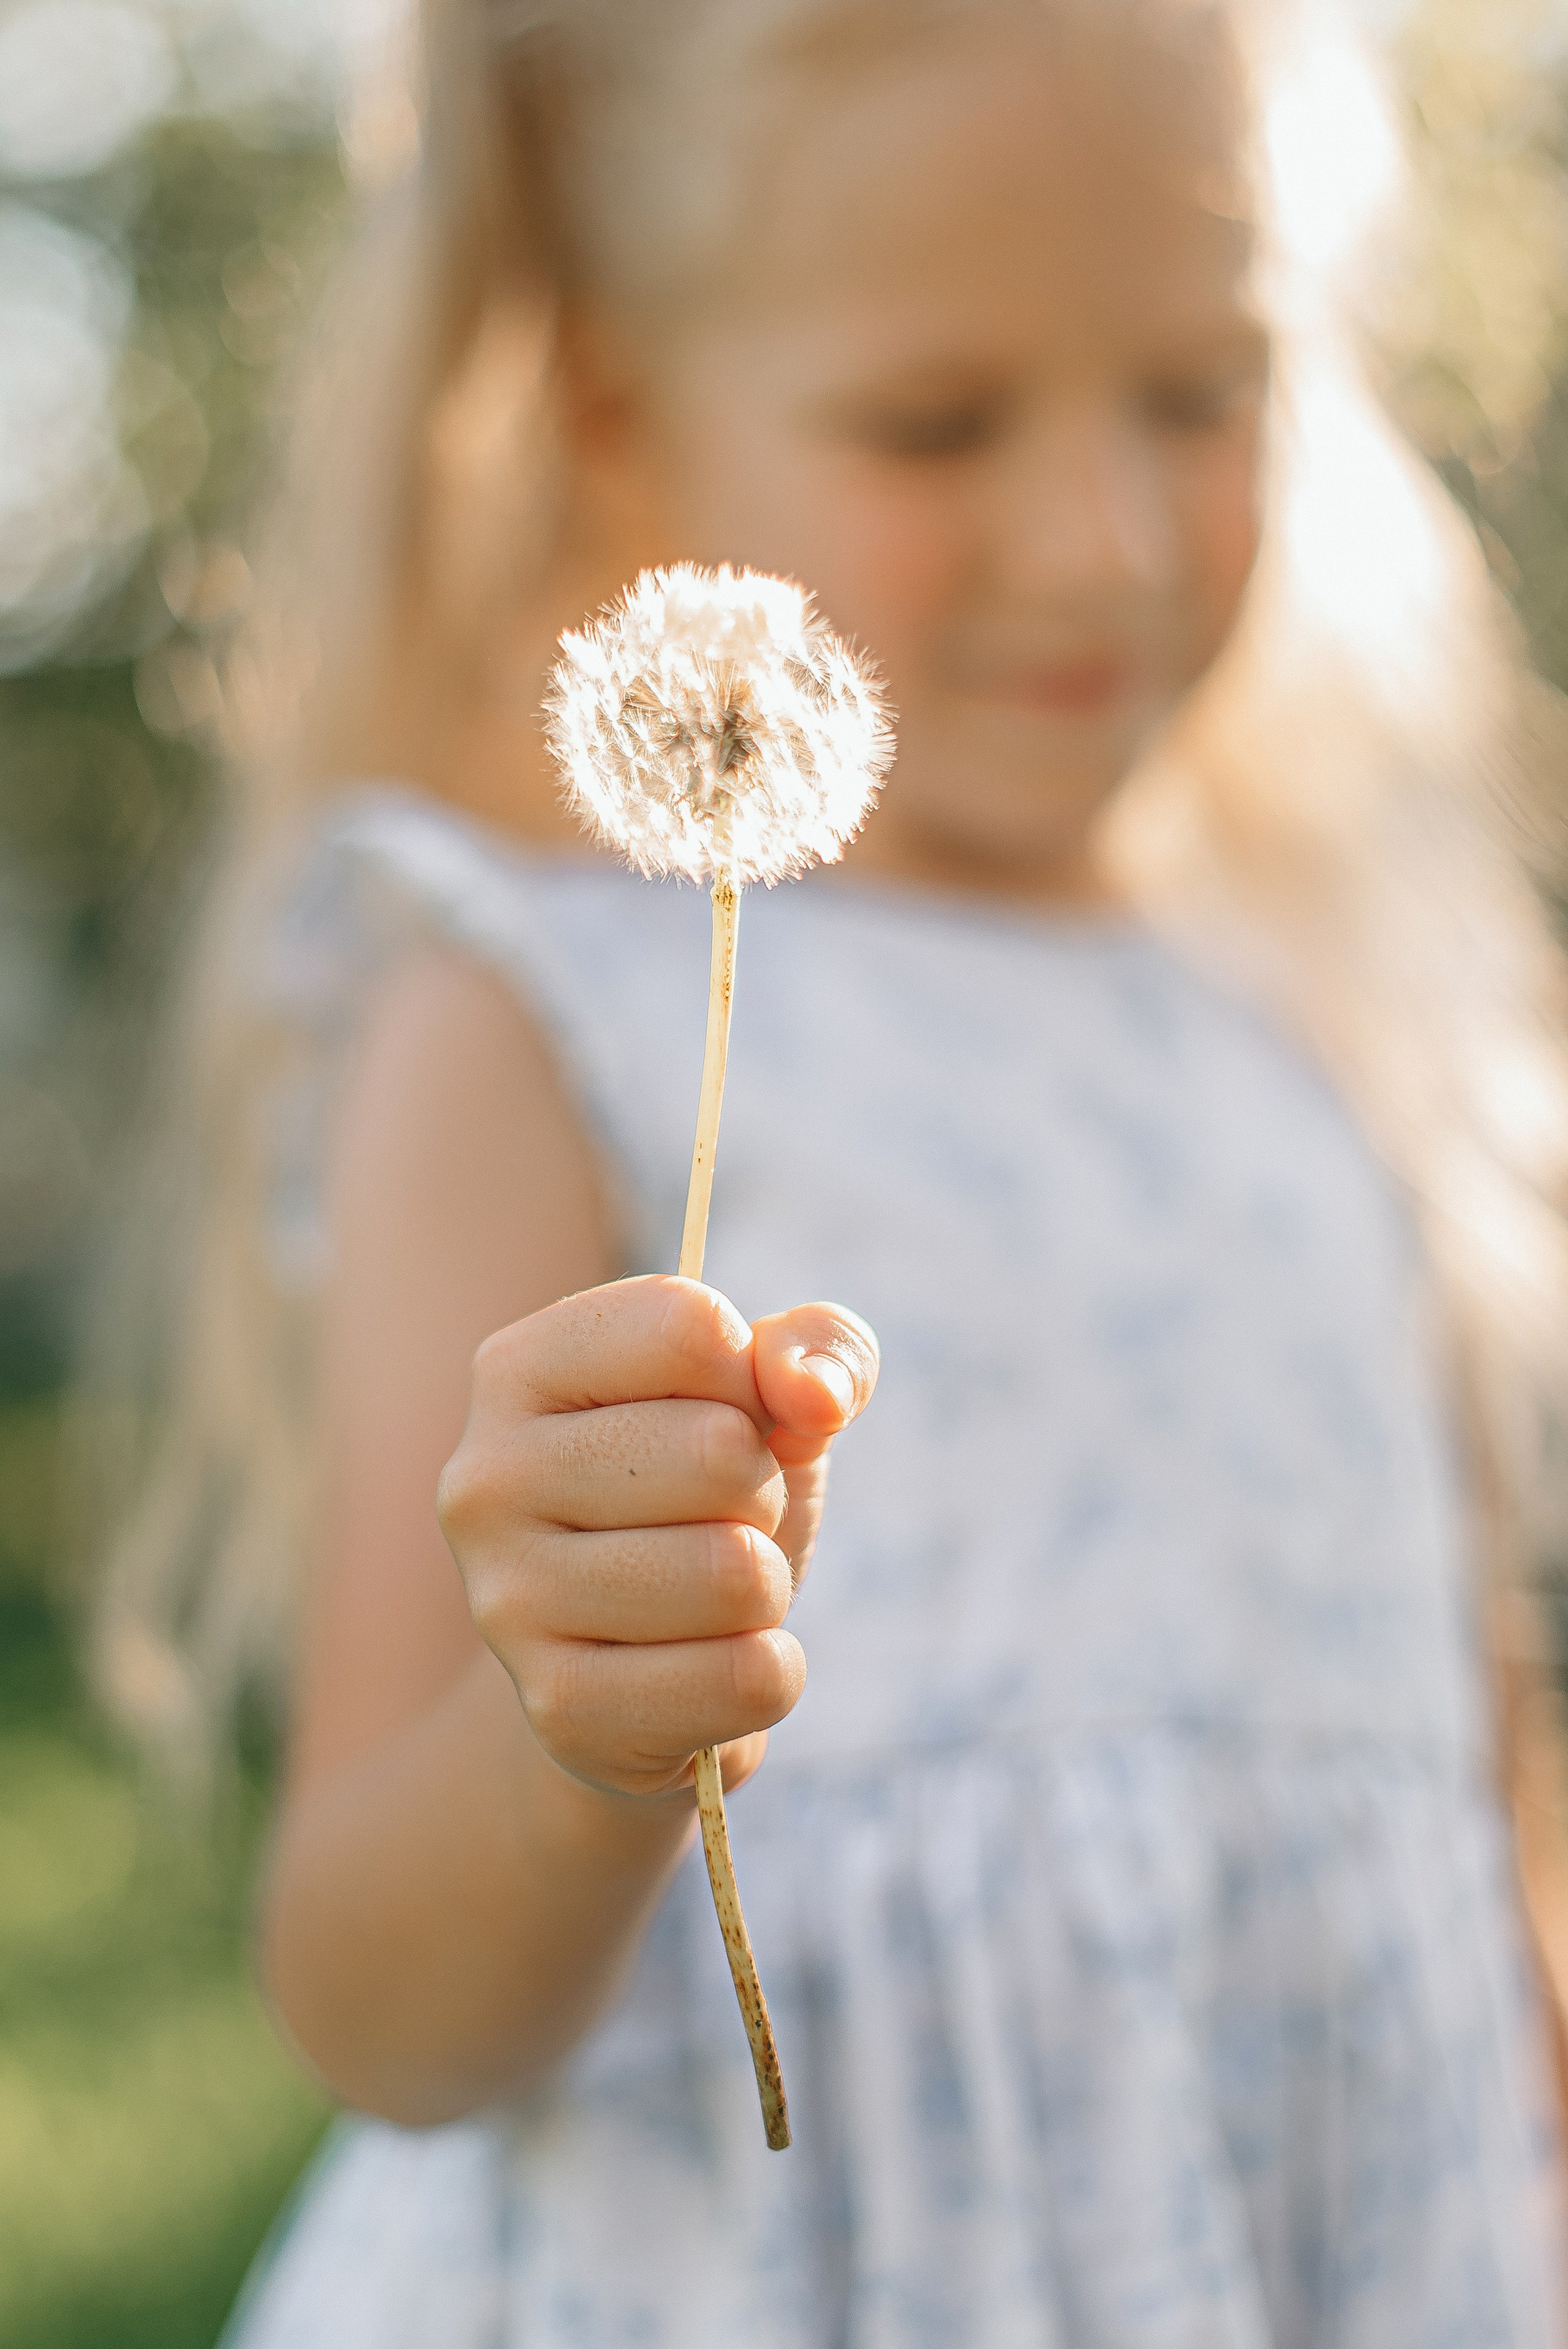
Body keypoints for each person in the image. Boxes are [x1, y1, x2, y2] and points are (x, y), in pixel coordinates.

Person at [98, 0, 1568, 2339]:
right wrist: (576, 1742)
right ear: (614, 404)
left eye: (1204, 389)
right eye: (936, 420)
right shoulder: (528, 1004)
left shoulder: (1327, 1024)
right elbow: (373, 2002)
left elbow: (1479, 1811)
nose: (1096, 537)